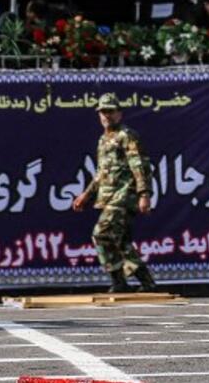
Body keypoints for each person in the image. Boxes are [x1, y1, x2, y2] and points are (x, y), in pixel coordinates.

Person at [71, 93, 157, 293]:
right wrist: (86, 195)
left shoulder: (126, 135)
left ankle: (122, 280)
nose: (106, 115)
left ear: (119, 114)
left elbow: (139, 165)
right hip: (108, 197)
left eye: (110, 111)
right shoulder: (103, 140)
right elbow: (101, 174)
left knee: (101, 233)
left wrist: (144, 194)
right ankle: (138, 282)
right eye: (102, 112)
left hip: (125, 195)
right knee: (120, 240)